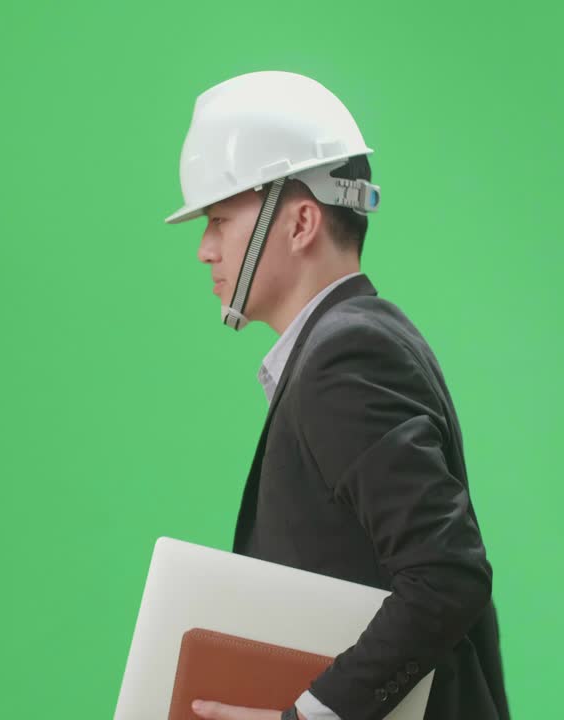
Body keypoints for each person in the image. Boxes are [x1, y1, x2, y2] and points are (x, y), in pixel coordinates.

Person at [164, 71, 509, 720]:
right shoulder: (353, 343)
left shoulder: (346, 359)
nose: (205, 250)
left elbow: (447, 576)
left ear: (299, 222)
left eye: (218, 220)